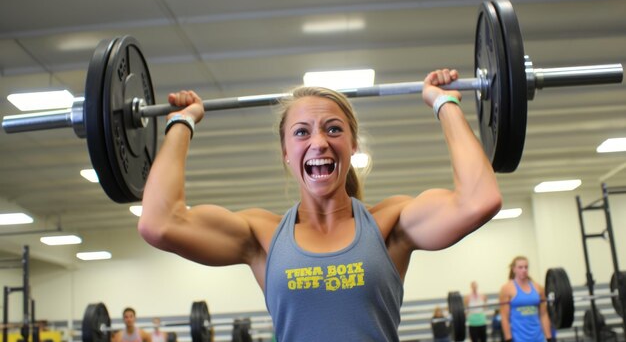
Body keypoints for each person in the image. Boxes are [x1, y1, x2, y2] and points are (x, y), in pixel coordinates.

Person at [138, 68, 502, 341]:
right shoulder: (262, 237)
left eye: (333, 129)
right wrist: (181, 124)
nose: (319, 142)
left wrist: (444, 102)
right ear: (285, 153)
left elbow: (479, 199)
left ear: (353, 144)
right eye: (301, 132)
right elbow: (159, 223)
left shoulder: (390, 225)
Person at [499, 256, 554, 342]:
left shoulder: (538, 288)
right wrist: (508, 339)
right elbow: (504, 317)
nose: (524, 270)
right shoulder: (507, 289)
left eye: (526, 267)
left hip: (538, 338)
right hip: (518, 339)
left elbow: (543, 314)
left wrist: (549, 337)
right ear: (514, 269)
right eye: (520, 267)